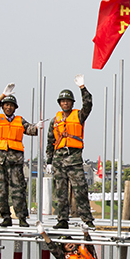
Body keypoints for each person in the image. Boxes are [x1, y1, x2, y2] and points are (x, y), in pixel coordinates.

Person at [0, 83, 41, 227]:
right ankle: (6, 217)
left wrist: (38, 127)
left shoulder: (20, 120)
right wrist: (2, 96)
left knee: (18, 191)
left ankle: (22, 217)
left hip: (15, 162)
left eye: (11, 105)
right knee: (2, 191)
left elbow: (31, 130)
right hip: (0, 161)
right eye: (6, 105)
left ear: (15, 108)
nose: (8, 107)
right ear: (3, 107)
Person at [46, 76, 95, 229]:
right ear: (60, 103)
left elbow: (88, 104)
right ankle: (62, 220)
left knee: (80, 190)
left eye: (68, 101)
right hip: (59, 160)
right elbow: (50, 141)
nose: (65, 103)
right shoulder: (55, 121)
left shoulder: (79, 116)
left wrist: (82, 88)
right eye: (63, 101)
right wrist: (49, 161)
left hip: (74, 159)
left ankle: (87, 219)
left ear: (72, 103)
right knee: (60, 191)